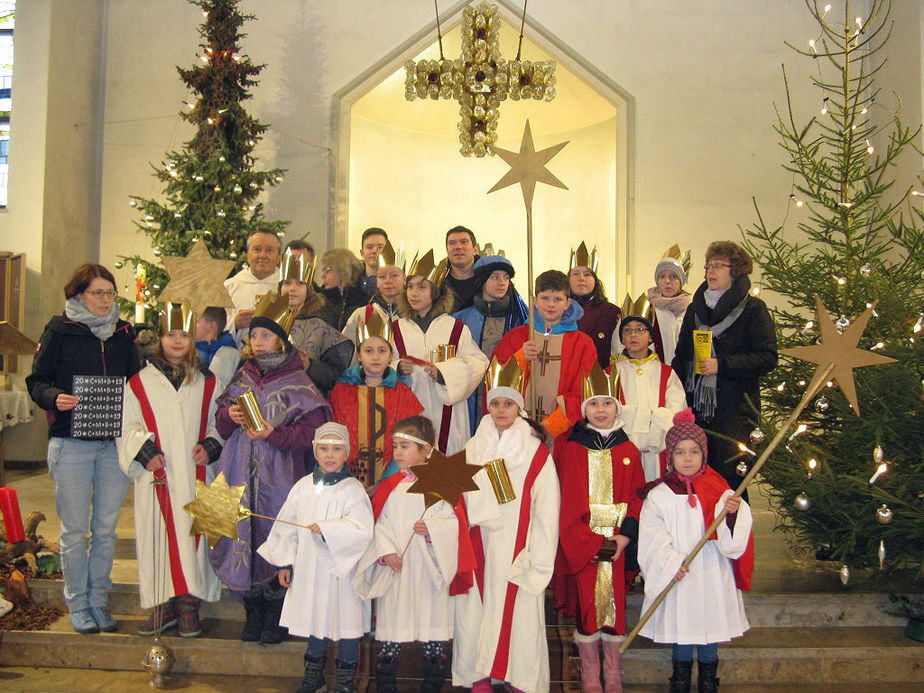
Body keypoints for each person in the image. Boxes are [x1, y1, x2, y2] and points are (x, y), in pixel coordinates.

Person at [209, 293, 331, 643]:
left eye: (263, 335)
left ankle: (277, 614)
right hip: (235, 473)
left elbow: (312, 436)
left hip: (281, 477)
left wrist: (274, 433)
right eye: (252, 336)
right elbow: (222, 419)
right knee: (236, 534)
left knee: (275, 537)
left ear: (280, 338)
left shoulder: (299, 382)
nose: (256, 342)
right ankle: (253, 611)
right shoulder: (242, 375)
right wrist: (228, 416)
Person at [26, 264, 140, 634]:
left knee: (106, 530)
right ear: (78, 295)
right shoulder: (60, 330)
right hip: (71, 443)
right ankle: (77, 603)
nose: (106, 300)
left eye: (110, 293)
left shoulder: (124, 334)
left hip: (112, 445)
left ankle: (98, 599)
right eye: (98, 293)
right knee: (75, 531)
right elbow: (36, 380)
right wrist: (53, 397)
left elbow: (136, 385)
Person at [452, 358, 560, 693]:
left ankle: (521, 680)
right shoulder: (473, 447)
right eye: (495, 403)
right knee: (475, 614)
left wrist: (539, 556)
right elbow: (457, 497)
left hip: (519, 546)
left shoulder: (535, 452)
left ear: (519, 408)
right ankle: (479, 677)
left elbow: (547, 508)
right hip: (480, 544)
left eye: (508, 404)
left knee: (521, 616)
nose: (501, 410)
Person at [117, 303, 222, 638]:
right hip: (158, 474)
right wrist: (144, 450)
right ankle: (162, 603)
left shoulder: (208, 382)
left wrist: (211, 445)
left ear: (193, 340)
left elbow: (218, 425)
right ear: (159, 339)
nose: (177, 341)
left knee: (195, 532)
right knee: (157, 535)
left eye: (184, 335)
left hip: (196, 473)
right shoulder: (139, 383)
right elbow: (128, 426)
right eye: (170, 334)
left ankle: (190, 603)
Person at [637, 409, 754, 693]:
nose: (687, 458)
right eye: (679, 452)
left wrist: (730, 515)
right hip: (678, 573)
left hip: (711, 571)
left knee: (707, 623)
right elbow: (652, 535)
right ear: (670, 457)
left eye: (693, 452)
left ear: (703, 454)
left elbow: (735, 537)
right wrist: (669, 562)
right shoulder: (659, 495)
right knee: (682, 626)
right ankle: (679, 679)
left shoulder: (719, 489)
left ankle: (707, 680)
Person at [257, 423, 374, 693]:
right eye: (324, 448)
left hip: (342, 573)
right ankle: (314, 677)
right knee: (316, 619)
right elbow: (287, 525)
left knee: (346, 624)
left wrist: (330, 530)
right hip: (311, 570)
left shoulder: (353, 490)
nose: (330, 455)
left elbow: (362, 529)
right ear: (315, 451)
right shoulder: (302, 487)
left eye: (336, 449)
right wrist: (285, 563)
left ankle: (345, 683)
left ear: (347, 453)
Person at [554, 363, 646, 693]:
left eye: (607, 403)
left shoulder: (629, 450)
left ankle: (614, 670)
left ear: (617, 407)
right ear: (584, 410)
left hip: (618, 543)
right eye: (594, 404)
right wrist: (590, 543)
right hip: (585, 543)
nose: (601, 410)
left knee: (614, 607)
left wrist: (623, 537)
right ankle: (591, 672)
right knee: (589, 607)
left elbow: (637, 497)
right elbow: (568, 502)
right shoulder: (573, 449)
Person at [353, 416, 458, 693]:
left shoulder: (441, 486)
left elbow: (451, 522)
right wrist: (386, 551)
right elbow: (381, 524)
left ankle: (432, 686)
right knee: (391, 630)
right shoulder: (391, 487)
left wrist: (432, 529)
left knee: (432, 628)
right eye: (396, 446)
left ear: (426, 450)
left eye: (405, 447)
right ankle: (386, 686)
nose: (397, 453)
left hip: (427, 570)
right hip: (397, 570)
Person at [672, 241, 777, 497]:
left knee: (731, 483)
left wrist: (722, 365)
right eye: (709, 265)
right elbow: (681, 355)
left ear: (736, 270)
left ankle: (734, 535)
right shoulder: (696, 310)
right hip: (697, 408)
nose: (711, 271)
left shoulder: (753, 309)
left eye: (719, 265)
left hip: (735, 411)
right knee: (697, 478)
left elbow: (767, 357)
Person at [393, 249, 488, 454]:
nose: (414, 292)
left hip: (449, 415)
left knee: (446, 472)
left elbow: (479, 362)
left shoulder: (455, 328)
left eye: (422, 286)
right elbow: (379, 365)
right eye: (409, 286)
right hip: (409, 409)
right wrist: (397, 367)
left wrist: (446, 373)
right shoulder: (396, 328)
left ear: (436, 292)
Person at [492, 269, 598, 439]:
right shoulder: (517, 336)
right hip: (517, 428)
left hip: (562, 432)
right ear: (534, 301)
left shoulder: (582, 344)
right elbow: (495, 379)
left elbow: (585, 392)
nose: (551, 304)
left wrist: (549, 426)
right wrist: (520, 358)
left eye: (558, 299)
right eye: (545, 298)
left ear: (568, 303)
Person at [329, 314, 423, 490]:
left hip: (393, 482)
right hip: (348, 481)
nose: (375, 357)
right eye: (368, 350)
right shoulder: (342, 392)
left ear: (390, 356)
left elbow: (410, 441)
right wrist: (349, 479)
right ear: (358, 355)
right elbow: (334, 438)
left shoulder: (402, 394)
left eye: (382, 350)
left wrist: (385, 483)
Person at [454, 254, 529, 433]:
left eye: (506, 278)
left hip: (507, 398)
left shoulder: (522, 319)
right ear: (481, 281)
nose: (502, 282)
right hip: (469, 397)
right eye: (495, 277)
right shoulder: (460, 320)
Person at [613, 315, 686, 482]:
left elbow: (676, 414)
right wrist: (651, 415)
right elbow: (608, 414)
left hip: (659, 450)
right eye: (627, 330)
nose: (633, 335)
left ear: (651, 337)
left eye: (640, 329)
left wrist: (651, 437)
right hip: (623, 449)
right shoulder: (611, 373)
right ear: (622, 339)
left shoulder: (667, 373)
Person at [279, 249, 354, 396]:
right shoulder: (268, 323)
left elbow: (335, 374)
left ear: (308, 290)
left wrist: (310, 366)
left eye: (299, 284)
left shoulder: (320, 325)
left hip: (309, 399)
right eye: (287, 283)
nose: (292, 289)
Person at [342, 238, 405, 353]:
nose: (388, 281)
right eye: (382, 277)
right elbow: (346, 354)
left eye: (394, 275)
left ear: (405, 279)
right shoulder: (361, 315)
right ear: (376, 282)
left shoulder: (413, 316)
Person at [224, 229, 282, 345]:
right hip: (236, 357)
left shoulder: (287, 287)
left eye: (269, 250)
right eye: (257, 250)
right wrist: (234, 323)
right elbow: (212, 327)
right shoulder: (229, 286)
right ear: (247, 254)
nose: (262, 255)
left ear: (279, 257)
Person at [569, 243, 622, 368]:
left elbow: (618, 351)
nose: (581, 278)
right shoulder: (557, 310)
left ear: (596, 281)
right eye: (575, 273)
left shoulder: (611, 312)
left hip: (600, 377)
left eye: (587, 274)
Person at [645, 254, 692, 367]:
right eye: (662, 276)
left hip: (685, 375)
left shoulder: (691, 309)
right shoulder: (648, 311)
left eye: (673, 276)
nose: (667, 281)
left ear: (681, 281)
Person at [316, 248, 368, 331]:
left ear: (343, 271)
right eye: (323, 270)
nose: (323, 276)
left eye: (328, 270)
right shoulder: (320, 301)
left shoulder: (362, 302)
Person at [194, 306, 240, 388]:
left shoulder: (229, 353)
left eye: (196, 321)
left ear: (212, 326)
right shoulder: (190, 351)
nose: (191, 325)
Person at [443, 226, 480, 312]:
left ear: (475, 250)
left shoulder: (491, 278)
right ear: (447, 250)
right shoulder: (436, 284)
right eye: (452, 243)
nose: (458, 247)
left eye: (464, 242)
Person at [357, 227, 388, 297]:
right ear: (362, 253)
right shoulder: (352, 283)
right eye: (369, 247)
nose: (374, 251)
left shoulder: (396, 282)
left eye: (380, 247)